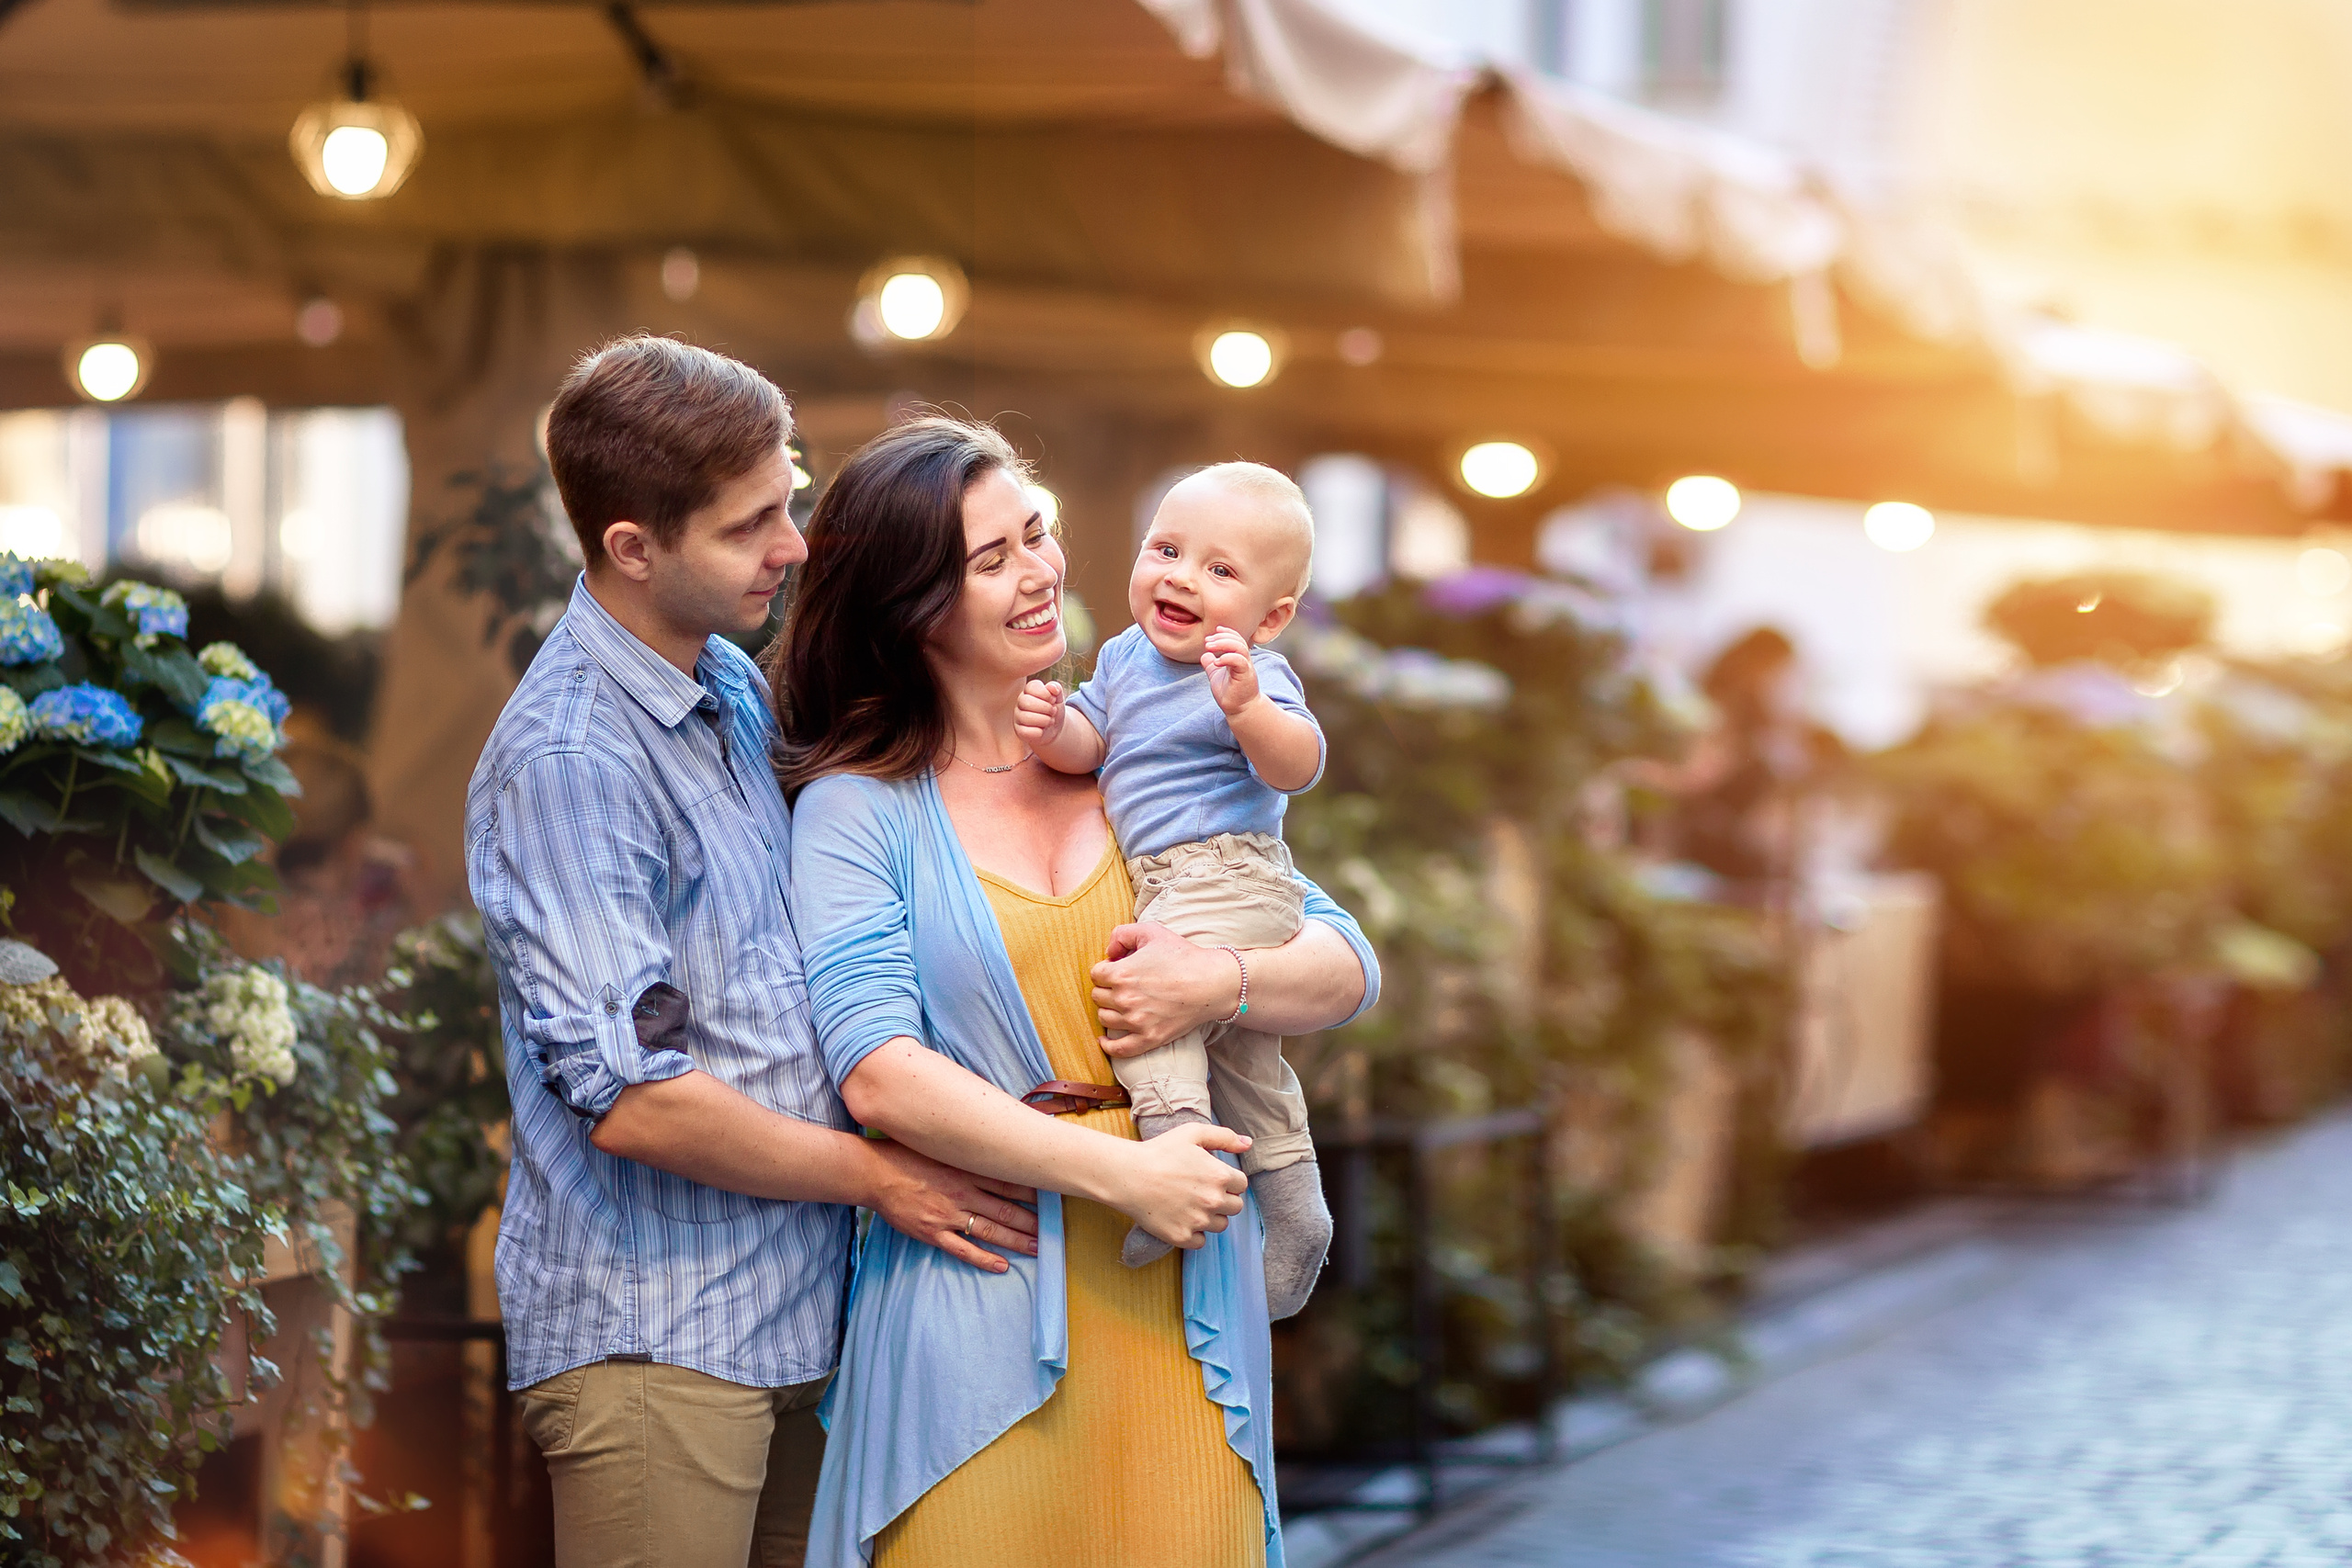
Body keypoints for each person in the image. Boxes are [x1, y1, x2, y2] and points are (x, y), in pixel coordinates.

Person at [464, 337, 1056, 1568]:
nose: (793, 544)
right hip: (656, 1340)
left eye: (788, 499)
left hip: (800, 1318)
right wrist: (881, 1175)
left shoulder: (727, 683)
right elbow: (637, 1099)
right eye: (750, 526)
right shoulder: (572, 759)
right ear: (632, 547)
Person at [776, 417, 1379, 1568]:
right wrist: (1127, 1174)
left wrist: (1220, 980)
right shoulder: (859, 806)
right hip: (981, 1285)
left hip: (1185, 1295)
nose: (1040, 571)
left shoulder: (1136, 754)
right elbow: (878, 1073)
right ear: (912, 604)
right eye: (991, 558)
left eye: (1037, 533)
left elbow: (1346, 964)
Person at [1015, 462, 1332, 1313]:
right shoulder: (1124, 655)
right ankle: (1296, 1207)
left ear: (1271, 616)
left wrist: (1246, 709)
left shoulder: (1249, 670)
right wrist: (1054, 728)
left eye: (1220, 569)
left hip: (1226, 870)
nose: (1182, 577)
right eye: (1166, 550)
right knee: (1245, 1065)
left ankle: (1177, 1154)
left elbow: (1298, 765)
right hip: (1171, 884)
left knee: (1144, 1002)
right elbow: (1092, 743)